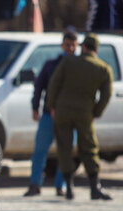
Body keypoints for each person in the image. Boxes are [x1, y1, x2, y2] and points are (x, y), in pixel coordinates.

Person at [47, 33, 113, 200]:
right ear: (96, 50)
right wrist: (96, 112)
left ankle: (68, 187)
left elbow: (53, 85)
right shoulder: (103, 69)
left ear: (83, 47)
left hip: (63, 111)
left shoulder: (68, 62)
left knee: (64, 147)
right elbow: (106, 95)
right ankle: (94, 187)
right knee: (89, 147)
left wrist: (52, 106)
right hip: (85, 112)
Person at [24, 31, 78, 197]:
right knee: (40, 151)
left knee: (66, 152)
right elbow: (39, 87)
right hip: (49, 115)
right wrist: (35, 107)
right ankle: (35, 184)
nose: (70, 48)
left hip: (69, 117)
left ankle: (61, 185)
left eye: (73, 45)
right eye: (67, 44)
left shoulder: (79, 66)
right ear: (62, 45)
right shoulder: (51, 65)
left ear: (77, 46)